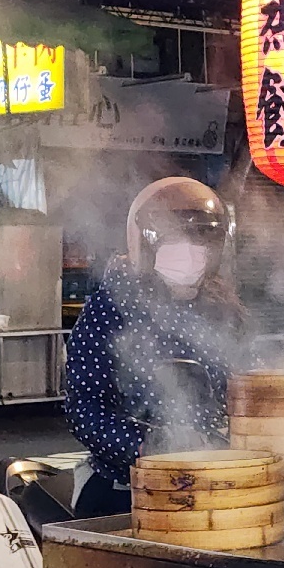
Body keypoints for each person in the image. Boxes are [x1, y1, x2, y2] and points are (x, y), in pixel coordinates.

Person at [64, 177, 245, 518]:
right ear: (145, 245)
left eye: (201, 240)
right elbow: (84, 408)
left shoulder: (222, 308)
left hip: (209, 482)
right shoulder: (111, 306)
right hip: (124, 488)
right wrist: (148, 445)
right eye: (174, 240)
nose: (190, 252)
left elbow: (245, 383)